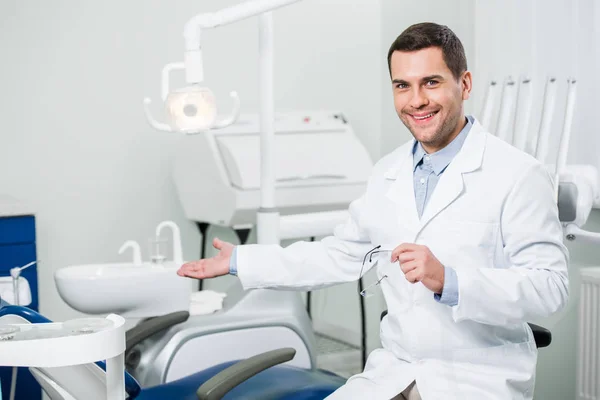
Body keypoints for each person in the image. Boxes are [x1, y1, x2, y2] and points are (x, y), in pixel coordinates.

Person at [177, 22, 569, 400]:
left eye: (431, 82)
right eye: (403, 86)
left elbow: (550, 288)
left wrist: (450, 280)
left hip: (474, 378)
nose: (416, 100)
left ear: (463, 84)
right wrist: (240, 260)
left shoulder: (517, 174)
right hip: (395, 370)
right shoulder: (388, 172)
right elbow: (339, 255)